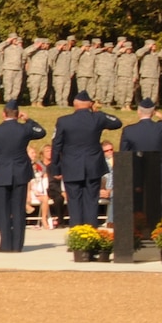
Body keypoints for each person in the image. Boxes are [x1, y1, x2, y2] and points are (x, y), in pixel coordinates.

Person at [0, 101, 46, 251]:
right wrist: (28, 120)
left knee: (2, 210)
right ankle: (17, 245)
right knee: (18, 209)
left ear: (3, 114)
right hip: (20, 173)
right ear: (17, 114)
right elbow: (41, 132)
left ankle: (5, 244)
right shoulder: (24, 129)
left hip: (2, 173)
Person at [48, 90, 121, 227]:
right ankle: (90, 233)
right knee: (91, 200)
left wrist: (55, 167)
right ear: (90, 104)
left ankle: (77, 234)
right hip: (92, 166)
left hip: (71, 166)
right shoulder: (98, 117)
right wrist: (97, 112)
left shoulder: (64, 121)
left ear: (75, 104)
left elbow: (56, 145)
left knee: (74, 201)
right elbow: (117, 122)